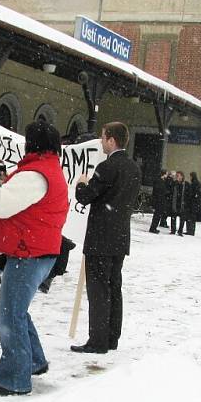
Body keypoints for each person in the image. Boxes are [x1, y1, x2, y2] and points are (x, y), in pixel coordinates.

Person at [0, 120, 68, 395]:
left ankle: (14, 378)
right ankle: (34, 361)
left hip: (29, 253)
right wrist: (3, 179)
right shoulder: (46, 169)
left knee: (9, 315)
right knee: (17, 310)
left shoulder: (35, 174)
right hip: (41, 250)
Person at [71, 121, 141, 354]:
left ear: (111, 140)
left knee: (99, 289)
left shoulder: (107, 167)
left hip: (101, 238)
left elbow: (87, 196)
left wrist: (80, 185)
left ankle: (98, 340)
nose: (102, 142)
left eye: (103, 138)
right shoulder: (133, 168)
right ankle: (112, 337)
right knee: (114, 287)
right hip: (120, 236)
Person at [148, 168, 168, 233]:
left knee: (157, 215)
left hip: (159, 200)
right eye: (166, 174)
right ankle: (153, 228)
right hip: (159, 201)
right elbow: (158, 191)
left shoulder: (161, 181)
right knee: (157, 215)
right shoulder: (159, 181)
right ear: (164, 174)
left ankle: (153, 227)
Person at [169, 171, 187, 235]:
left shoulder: (185, 184)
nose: (177, 177)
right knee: (173, 217)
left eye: (178, 175)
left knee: (182, 219)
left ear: (182, 176)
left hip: (182, 204)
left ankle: (180, 231)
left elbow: (188, 194)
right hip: (175, 203)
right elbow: (170, 192)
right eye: (176, 176)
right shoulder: (174, 183)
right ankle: (173, 230)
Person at [185, 171, 201, 235]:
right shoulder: (197, 183)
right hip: (194, 203)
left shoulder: (194, 183)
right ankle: (191, 230)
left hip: (192, 203)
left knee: (190, 217)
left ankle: (190, 230)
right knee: (192, 217)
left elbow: (194, 193)